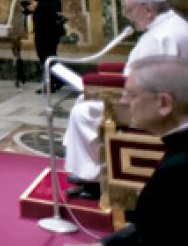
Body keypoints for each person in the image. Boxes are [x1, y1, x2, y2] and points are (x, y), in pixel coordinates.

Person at [63, 0, 188, 199]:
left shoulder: (162, 36)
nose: (129, 16)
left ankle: (93, 178)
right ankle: (91, 171)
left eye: (130, 10)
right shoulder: (173, 24)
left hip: (162, 108)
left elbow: (150, 82)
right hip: (163, 99)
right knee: (85, 103)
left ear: (148, 10)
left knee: (83, 112)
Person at [73, 56, 188, 246]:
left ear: (164, 103)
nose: (123, 101)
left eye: (131, 95)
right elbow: (152, 226)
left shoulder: (176, 173)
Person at [22, 0, 64, 93]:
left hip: (50, 29)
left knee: (49, 56)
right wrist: (26, 8)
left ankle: (51, 83)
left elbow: (57, 7)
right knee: (42, 56)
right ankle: (57, 80)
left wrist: (39, 6)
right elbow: (32, 9)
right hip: (39, 29)